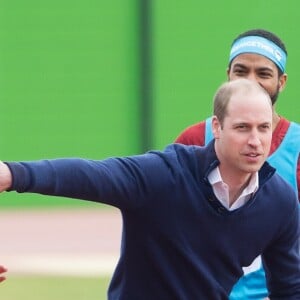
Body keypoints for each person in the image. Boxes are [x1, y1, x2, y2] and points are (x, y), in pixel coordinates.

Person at [0, 79, 299, 299]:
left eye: (264, 128)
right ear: (217, 127)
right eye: (242, 127)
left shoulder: (280, 202)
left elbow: (289, 288)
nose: (256, 140)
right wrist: (12, 174)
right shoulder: (164, 175)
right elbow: (92, 175)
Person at [175, 29, 300, 299]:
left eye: (263, 74)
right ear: (228, 75)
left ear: (282, 81)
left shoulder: (297, 148)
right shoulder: (194, 139)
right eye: (241, 71)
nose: (251, 82)